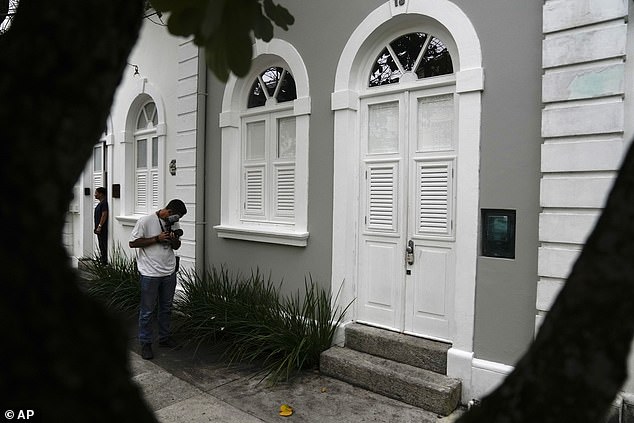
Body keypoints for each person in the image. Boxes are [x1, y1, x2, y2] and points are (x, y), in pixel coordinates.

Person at [129, 199, 187, 360]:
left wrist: (174, 239)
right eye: (176, 217)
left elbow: (176, 246)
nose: (177, 221)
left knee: (166, 308)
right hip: (149, 273)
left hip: (169, 271)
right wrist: (157, 238)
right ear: (168, 211)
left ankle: (164, 338)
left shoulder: (173, 222)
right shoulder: (145, 221)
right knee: (147, 310)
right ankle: (145, 343)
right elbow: (133, 243)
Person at [93, 187, 109, 264]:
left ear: (101, 194)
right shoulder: (100, 203)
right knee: (101, 244)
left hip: (102, 229)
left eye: (96, 193)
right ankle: (103, 259)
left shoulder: (104, 203)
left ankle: (105, 261)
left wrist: (100, 226)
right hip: (99, 229)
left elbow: (104, 214)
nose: (95, 195)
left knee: (103, 244)